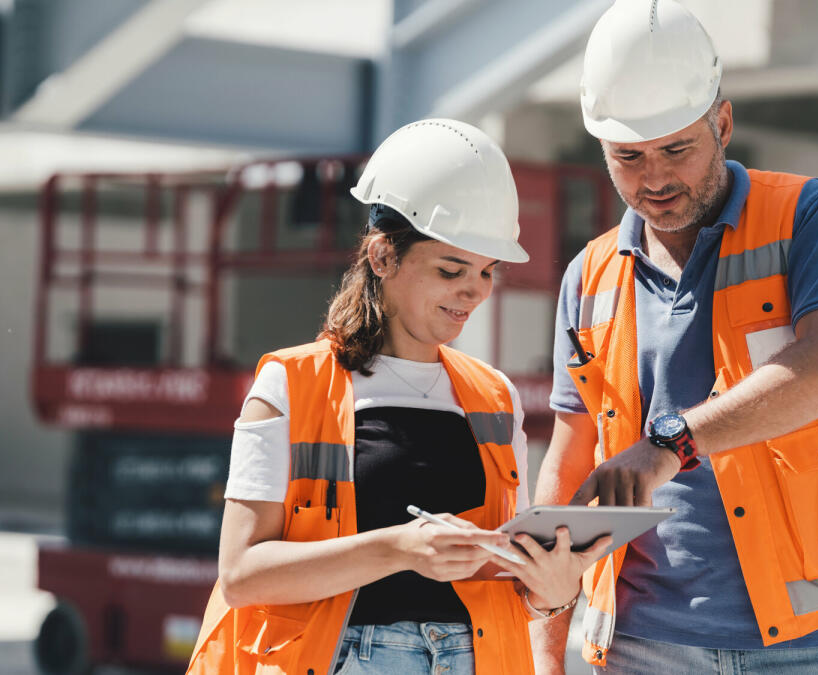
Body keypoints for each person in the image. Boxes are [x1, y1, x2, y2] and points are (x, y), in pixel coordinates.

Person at [530, 2, 818, 673]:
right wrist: (545, 652)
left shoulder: (811, 218)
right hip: (640, 646)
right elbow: (568, 458)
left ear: (723, 123)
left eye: (677, 148)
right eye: (628, 156)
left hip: (816, 640)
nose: (654, 179)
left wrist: (668, 446)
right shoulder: (587, 278)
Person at [187, 119, 610, 675]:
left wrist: (550, 589)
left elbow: (505, 584)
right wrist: (398, 549)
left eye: (487, 271)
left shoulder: (494, 397)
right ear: (383, 257)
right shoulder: (290, 386)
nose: (474, 291)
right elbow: (242, 575)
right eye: (451, 269)